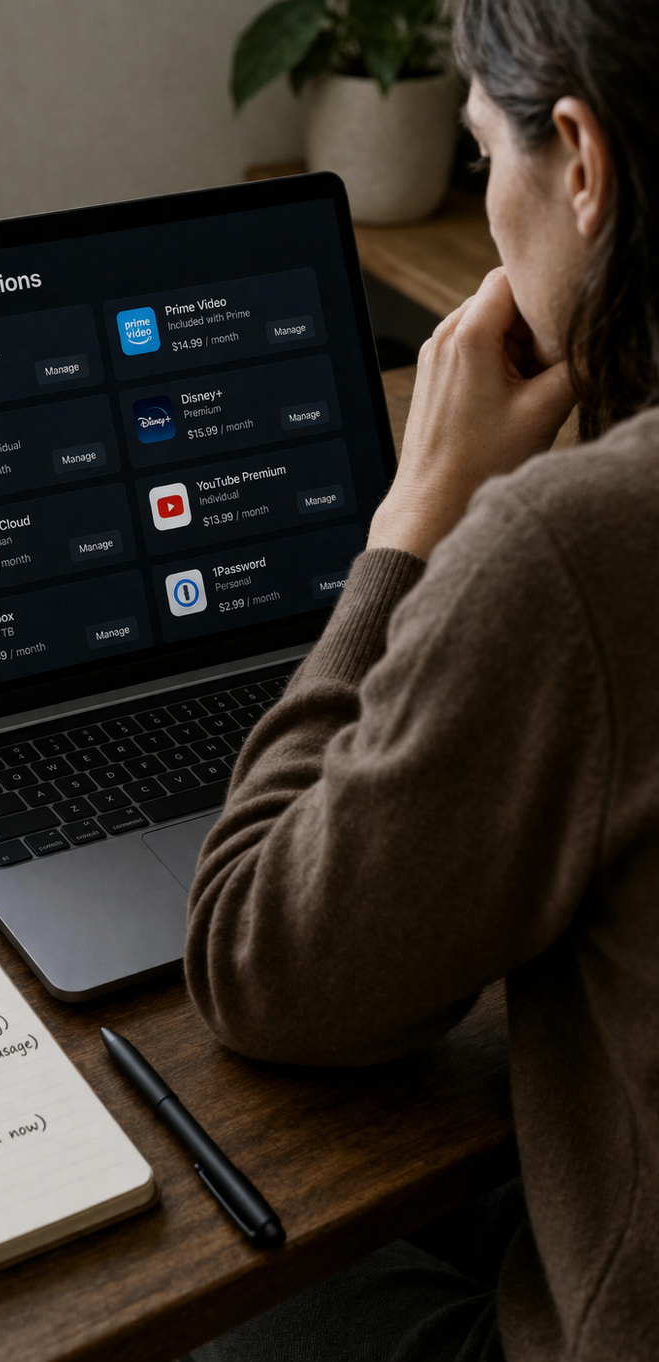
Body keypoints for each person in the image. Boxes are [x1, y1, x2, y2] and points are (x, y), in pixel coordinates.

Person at [184, 0, 659, 1358]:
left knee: (214, 1291)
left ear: (579, 158)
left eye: (483, 152)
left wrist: (411, 528)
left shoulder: (576, 552)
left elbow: (255, 957)